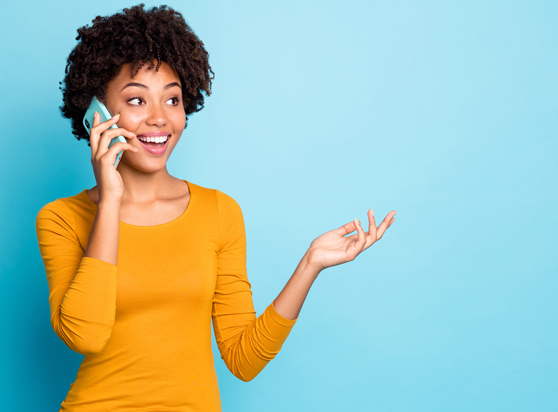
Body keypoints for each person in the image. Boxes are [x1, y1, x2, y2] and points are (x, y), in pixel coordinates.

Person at [36, 4, 396, 411]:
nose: (159, 119)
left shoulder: (219, 212)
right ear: (96, 114)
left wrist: (310, 264)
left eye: (172, 100)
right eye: (137, 100)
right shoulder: (61, 219)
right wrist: (111, 199)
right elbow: (85, 335)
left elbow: (243, 359)